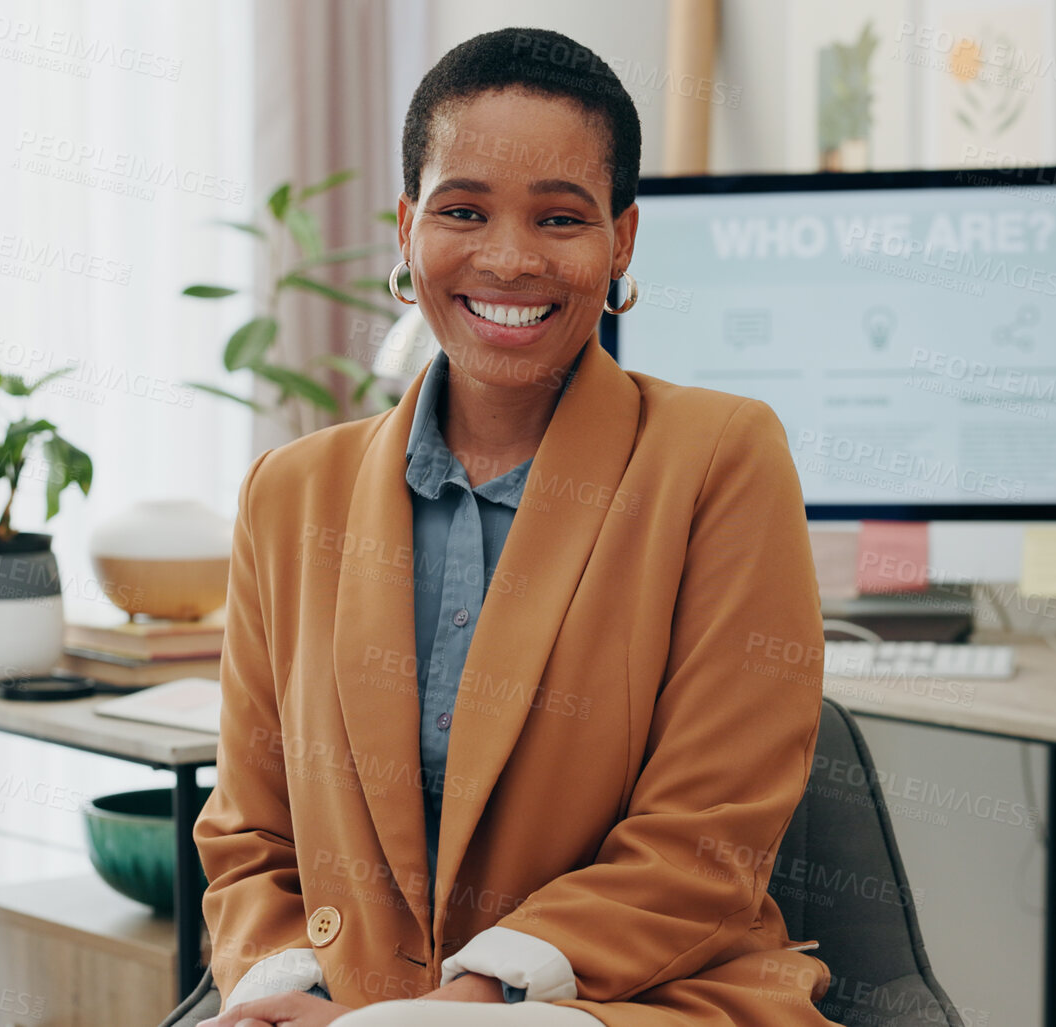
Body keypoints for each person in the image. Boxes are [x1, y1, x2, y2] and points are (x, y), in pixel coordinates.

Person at [194, 26, 834, 1027]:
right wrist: (289, 989)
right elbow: (250, 839)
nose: (508, 257)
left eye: (560, 218)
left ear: (621, 242)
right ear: (408, 229)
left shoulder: (720, 458)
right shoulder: (290, 494)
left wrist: (465, 1002)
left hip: (630, 999)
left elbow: (707, 841)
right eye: (463, 210)